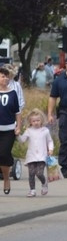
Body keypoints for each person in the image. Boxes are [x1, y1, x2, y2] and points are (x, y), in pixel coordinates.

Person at [18, 108, 54, 196]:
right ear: (30, 122)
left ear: (41, 120)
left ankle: (44, 182)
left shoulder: (45, 131)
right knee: (31, 173)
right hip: (31, 156)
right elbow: (22, 140)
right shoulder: (28, 131)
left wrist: (50, 149)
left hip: (42, 156)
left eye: (38, 120)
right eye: (34, 121)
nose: (36, 122)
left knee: (39, 173)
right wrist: (17, 134)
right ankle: (32, 190)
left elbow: (50, 141)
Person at [0, 65, 23, 194]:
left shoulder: (13, 93)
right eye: (2, 76)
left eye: (6, 77)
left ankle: (6, 178)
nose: (5, 79)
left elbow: (17, 112)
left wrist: (18, 126)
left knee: (3, 153)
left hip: (8, 129)